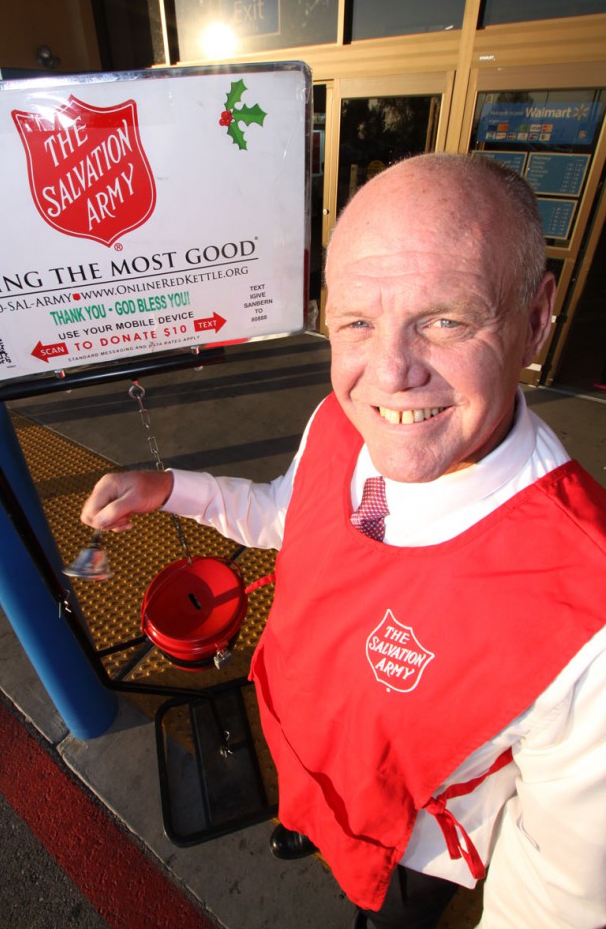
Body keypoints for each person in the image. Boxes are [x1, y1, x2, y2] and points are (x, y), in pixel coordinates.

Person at [81, 153, 606, 928]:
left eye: (445, 319)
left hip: (404, 843)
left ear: (536, 318)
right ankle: (305, 824)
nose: (389, 374)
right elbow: (289, 516)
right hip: (297, 742)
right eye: (357, 322)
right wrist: (170, 489)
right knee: (306, 818)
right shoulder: (341, 420)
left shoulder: (587, 610)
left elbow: (560, 898)